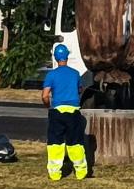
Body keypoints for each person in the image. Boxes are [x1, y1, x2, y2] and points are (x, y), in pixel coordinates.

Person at [42, 44, 87, 181]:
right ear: (67, 56)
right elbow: (80, 90)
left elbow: (45, 95)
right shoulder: (75, 73)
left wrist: (48, 105)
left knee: (55, 143)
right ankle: (81, 172)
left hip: (58, 112)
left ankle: (55, 174)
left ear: (55, 57)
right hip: (73, 112)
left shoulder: (51, 75)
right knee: (76, 143)